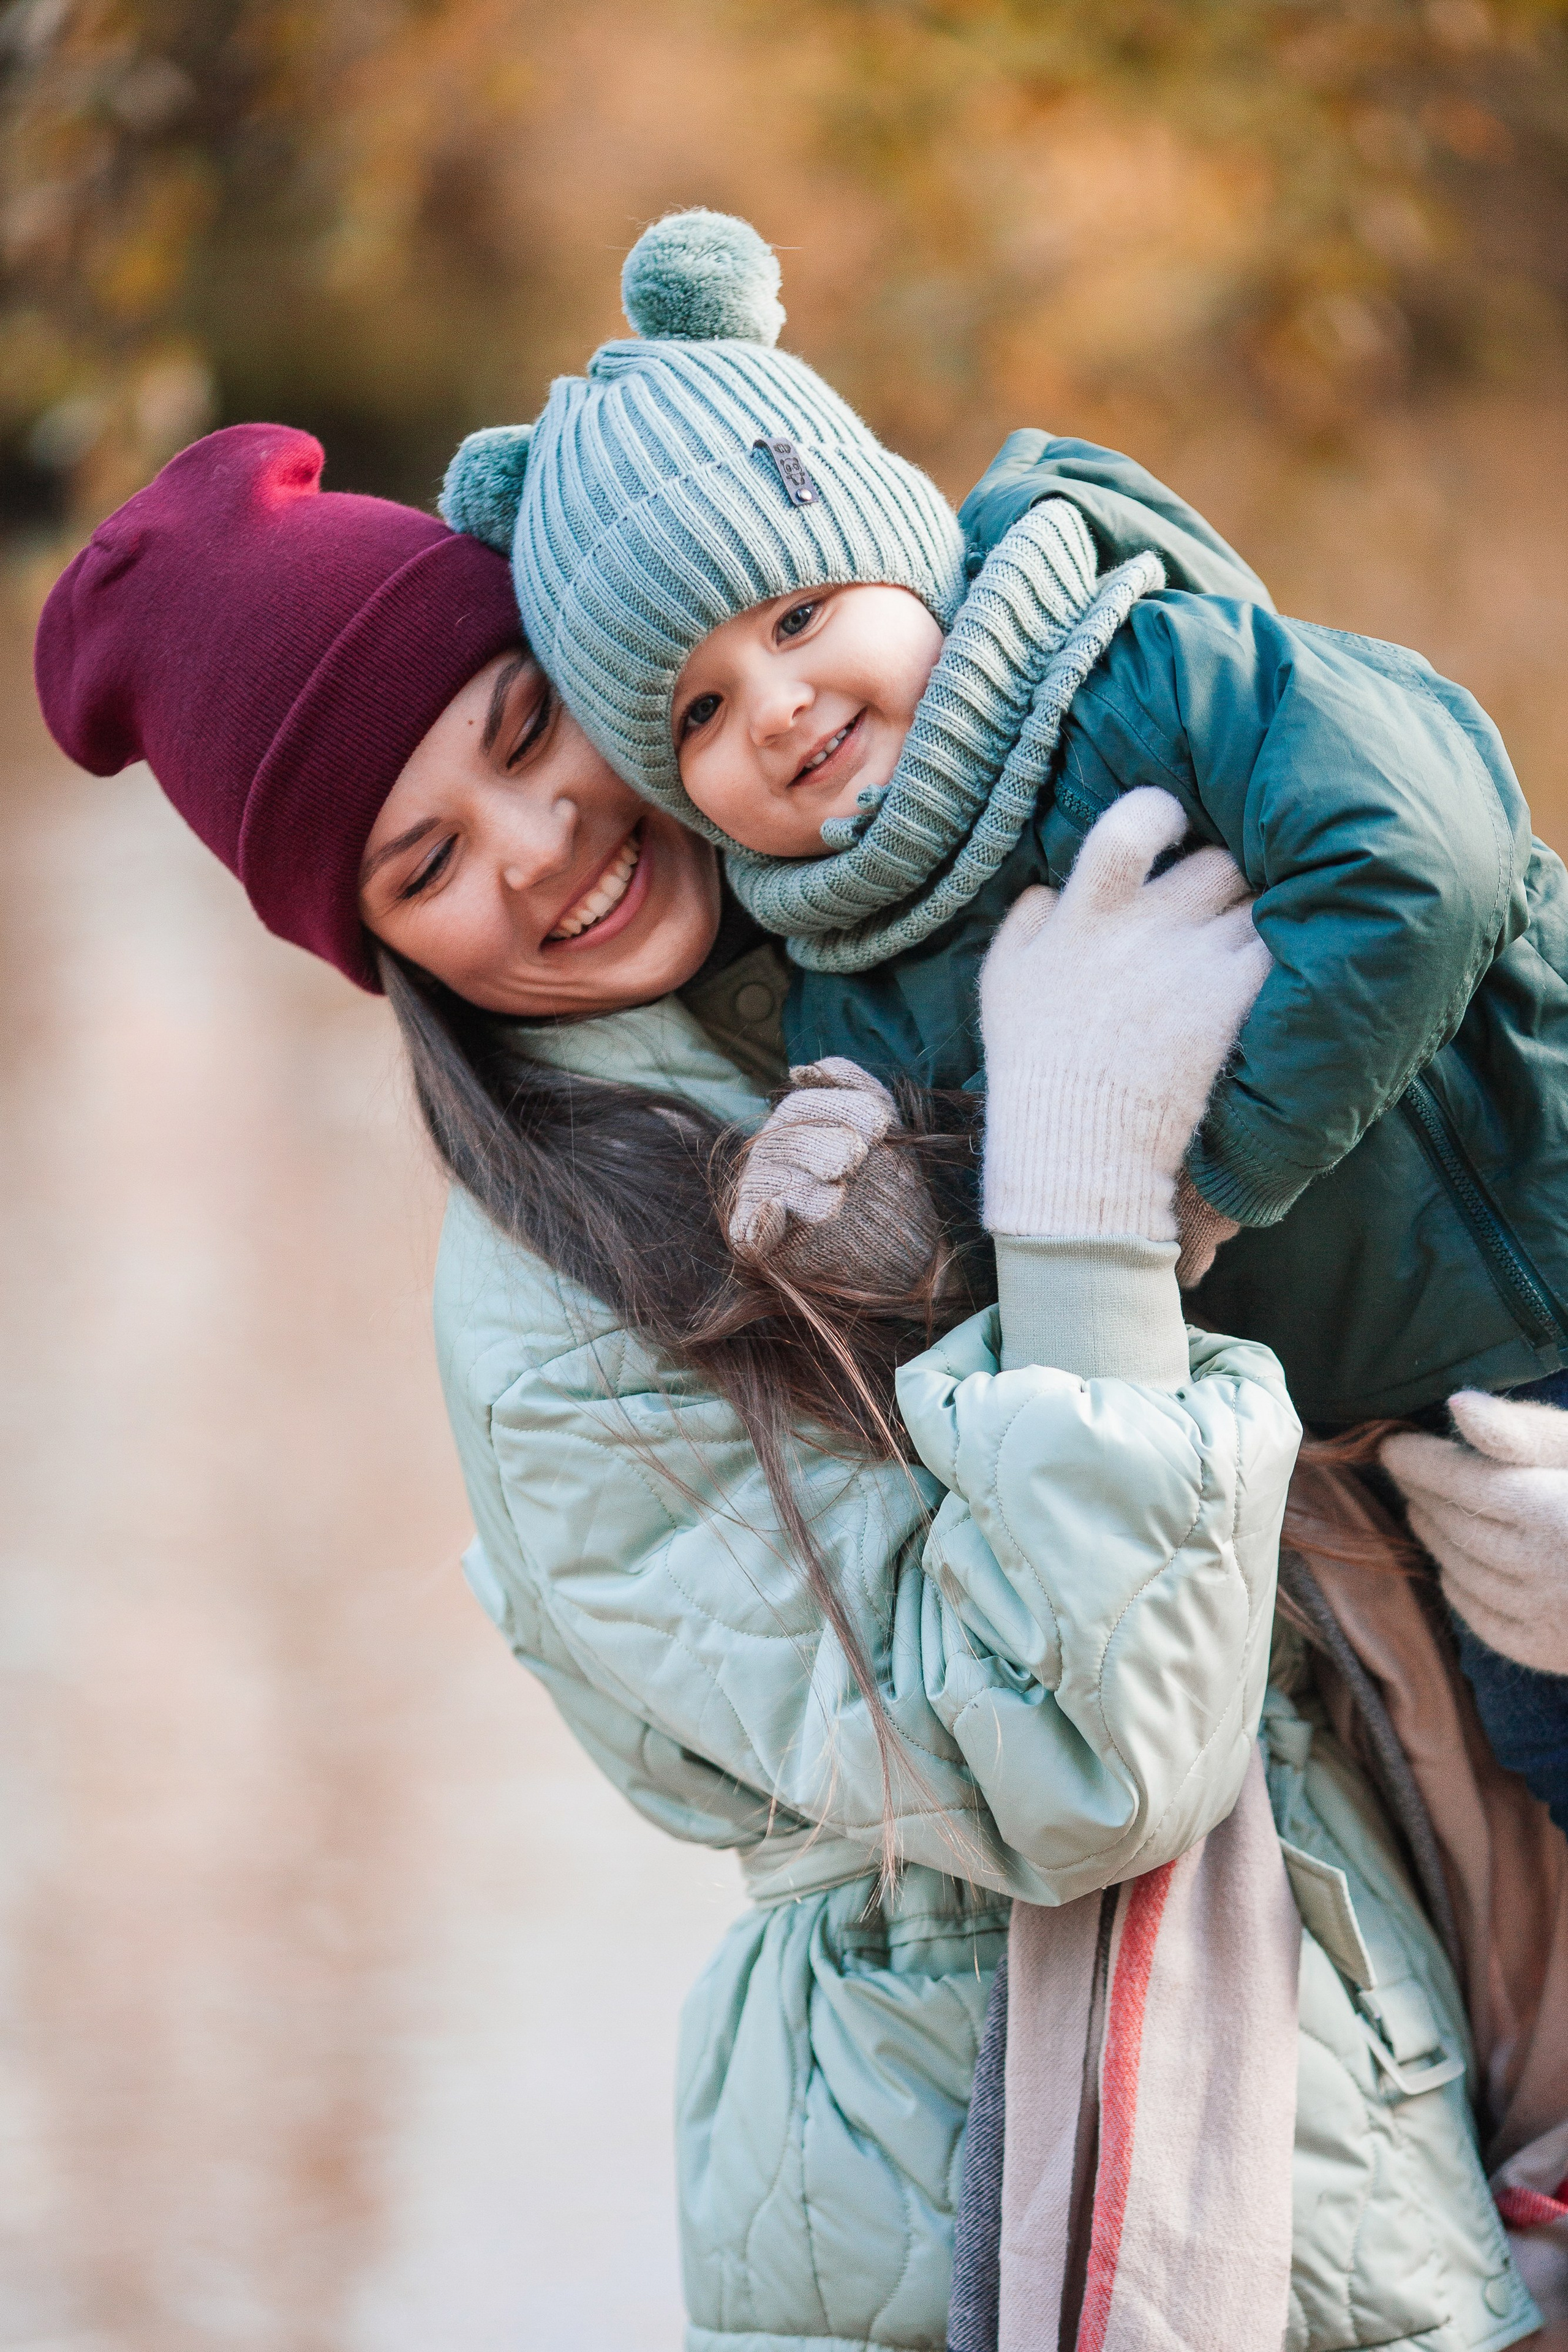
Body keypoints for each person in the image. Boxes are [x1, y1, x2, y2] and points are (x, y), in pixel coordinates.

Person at [34, 422, 1548, 2351]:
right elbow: (1085, 1775)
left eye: (522, 736)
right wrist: (1082, 1223)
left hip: (1384, 2063)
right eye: (424, 866)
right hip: (987, 2189)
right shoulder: (557, 1343)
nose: (538, 851)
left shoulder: (914, 920)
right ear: (384, 958)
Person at [438, 203, 1568, 1838]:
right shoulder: (840, 956)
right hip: (1410, 1472)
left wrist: (1215, 1174)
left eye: (800, 614)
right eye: (695, 710)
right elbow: (990, 1253)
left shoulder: (1143, 672)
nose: (778, 702)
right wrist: (857, 1215)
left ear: (901, 550)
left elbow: (1424, 868)